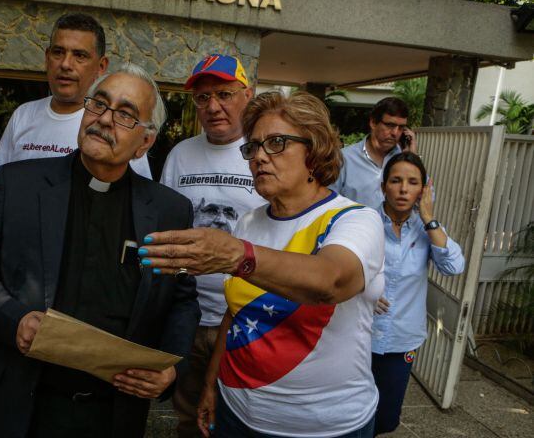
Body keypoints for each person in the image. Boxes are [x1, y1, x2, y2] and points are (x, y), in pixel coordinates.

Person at [0, 63, 200, 438]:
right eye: (98, 104)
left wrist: (172, 371)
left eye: (125, 114)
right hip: (28, 398)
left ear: (145, 143)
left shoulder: (169, 210)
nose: (104, 119)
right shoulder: (19, 184)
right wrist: (13, 318)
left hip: (115, 407)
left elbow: (182, 301)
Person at [139, 91, 385, 437]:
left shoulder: (355, 220)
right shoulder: (250, 223)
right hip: (238, 411)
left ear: (314, 151)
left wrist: (237, 255)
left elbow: (330, 282)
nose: (258, 157)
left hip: (323, 425)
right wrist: (212, 384)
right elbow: (237, 312)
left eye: (277, 143)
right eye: (252, 147)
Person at [159, 53, 265, 437]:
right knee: (189, 414)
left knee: (240, 414)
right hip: (189, 312)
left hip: (245, 316)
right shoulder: (180, 155)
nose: (213, 106)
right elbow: (166, 228)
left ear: (247, 95)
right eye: (202, 98)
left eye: (224, 94)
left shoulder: (264, 154)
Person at [0, 12, 152, 180]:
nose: (65, 64)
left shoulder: (117, 127)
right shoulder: (23, 115)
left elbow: (136, 195)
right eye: (58, 52)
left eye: (79, 55)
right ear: (47, 57)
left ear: (101, 66)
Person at [371, 152, 465, 435]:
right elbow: (337, 270)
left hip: (402, 339)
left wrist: (428, 217)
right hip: (359, 334)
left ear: (423, 190)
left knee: (386, 418)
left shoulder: (427, 230)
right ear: (383, 185)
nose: (403, 189)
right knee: (349, 412)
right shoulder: (363, 222)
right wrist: (363, 291)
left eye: (412, 183)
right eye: (396, 180)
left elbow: (454, 266)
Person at [332, 97, 417, 208]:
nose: (395, 133)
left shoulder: (405, 159)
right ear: (373, 122)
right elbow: (328, 200)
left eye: (401, 127)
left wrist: (413, 160)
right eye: (390, 125)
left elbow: (426, 198)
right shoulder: (344, 159)